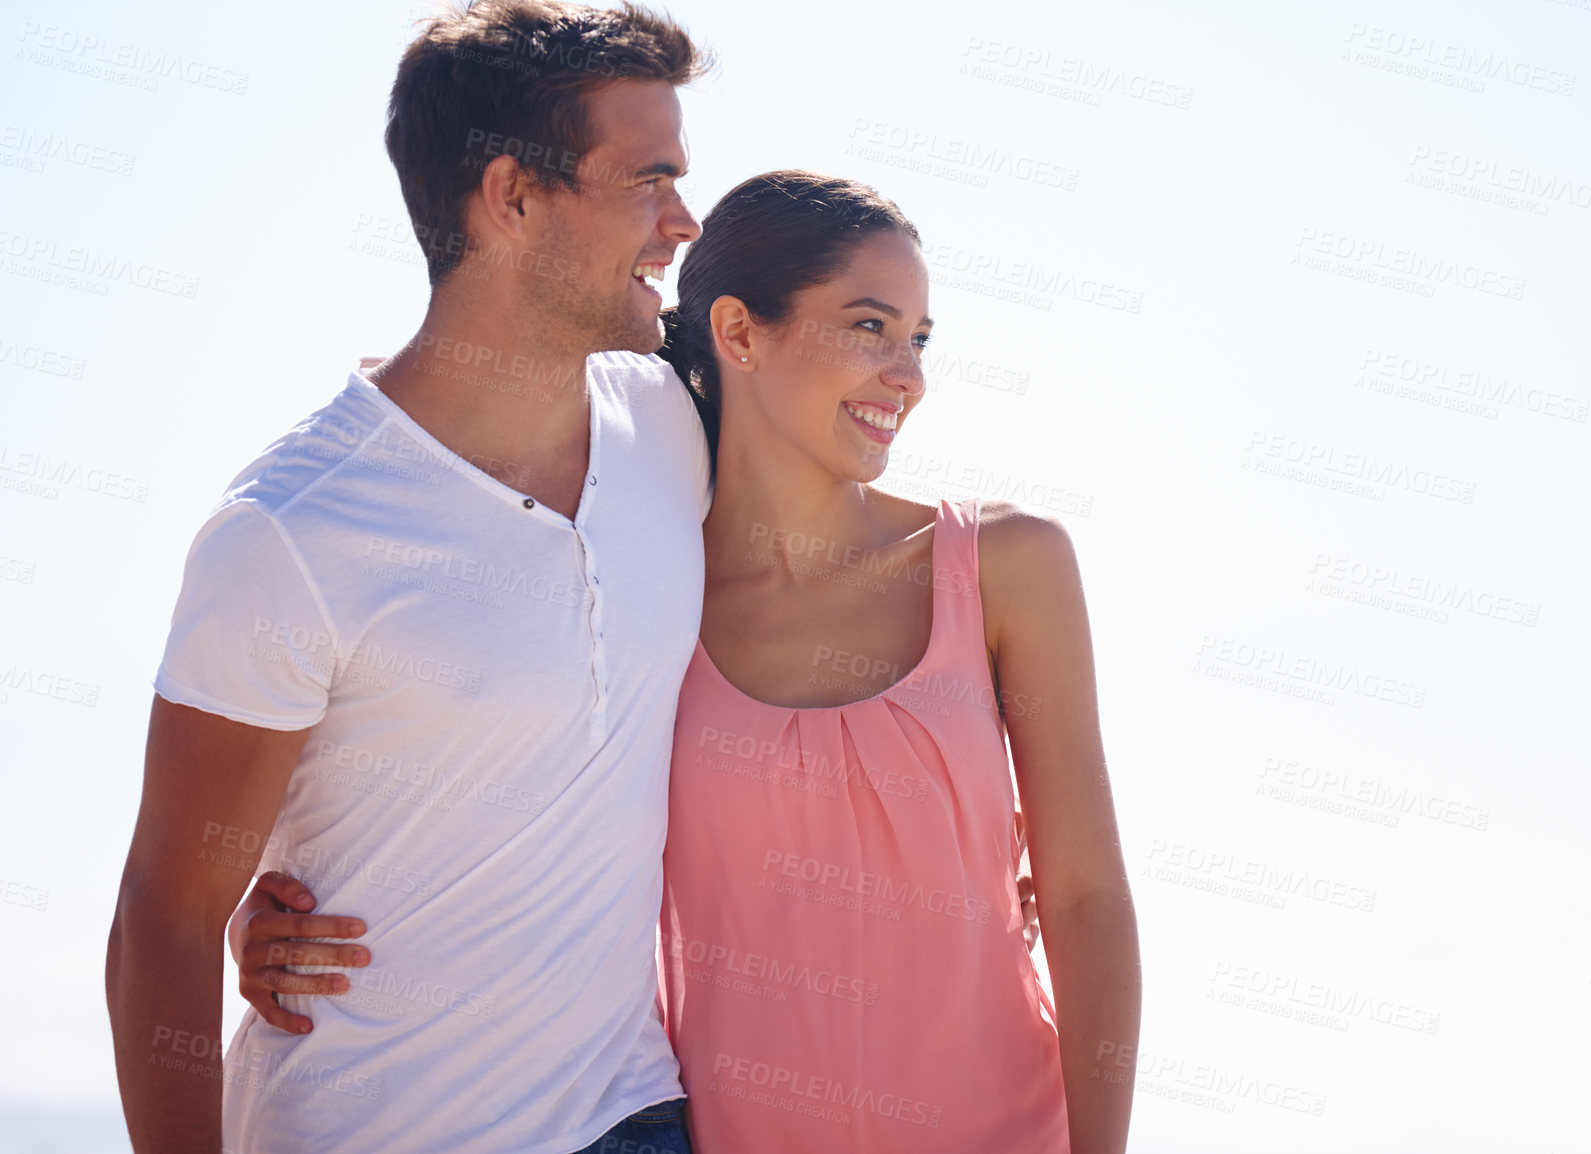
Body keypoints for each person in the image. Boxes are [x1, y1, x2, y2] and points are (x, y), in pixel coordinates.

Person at [235, 171, 1142, 1151]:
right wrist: (277, 893)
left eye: (918, 339)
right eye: (870, 328)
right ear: (740, 333)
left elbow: (1087, 897)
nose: (907, 374)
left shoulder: (1004, 566)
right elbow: (473, 760)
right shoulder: (641, 589)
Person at [105, 5, 717, 1152]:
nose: (683, 221)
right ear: (513, 196)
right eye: (650, 180)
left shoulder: (675, 420)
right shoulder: (291, 530)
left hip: (634, 1113)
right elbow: (167, 914)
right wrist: (247, 910)